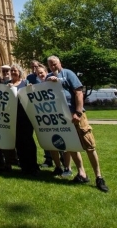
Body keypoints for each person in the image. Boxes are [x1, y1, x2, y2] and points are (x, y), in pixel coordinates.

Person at [46, 55, 109, 192]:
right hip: (63, 118)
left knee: (89, 145)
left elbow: (79, 93)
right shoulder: (48, 77)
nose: (53, 66)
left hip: (77, 115)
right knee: (71, 146)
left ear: (59, 63)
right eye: (50, 65)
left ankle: (99, 177)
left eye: (54, 64)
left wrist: (78, 113)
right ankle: (82, 173)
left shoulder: (68, 74)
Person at [8, 64, 39, 175]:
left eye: (15, 70)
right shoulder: (8, 85)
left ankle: (33, 165)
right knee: (18, 142)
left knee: (28, 140)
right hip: (14, 117)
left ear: (19, 72)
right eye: (11, 71)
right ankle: (24, 165)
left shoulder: (25, 83)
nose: (13, 72)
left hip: (26, 116)